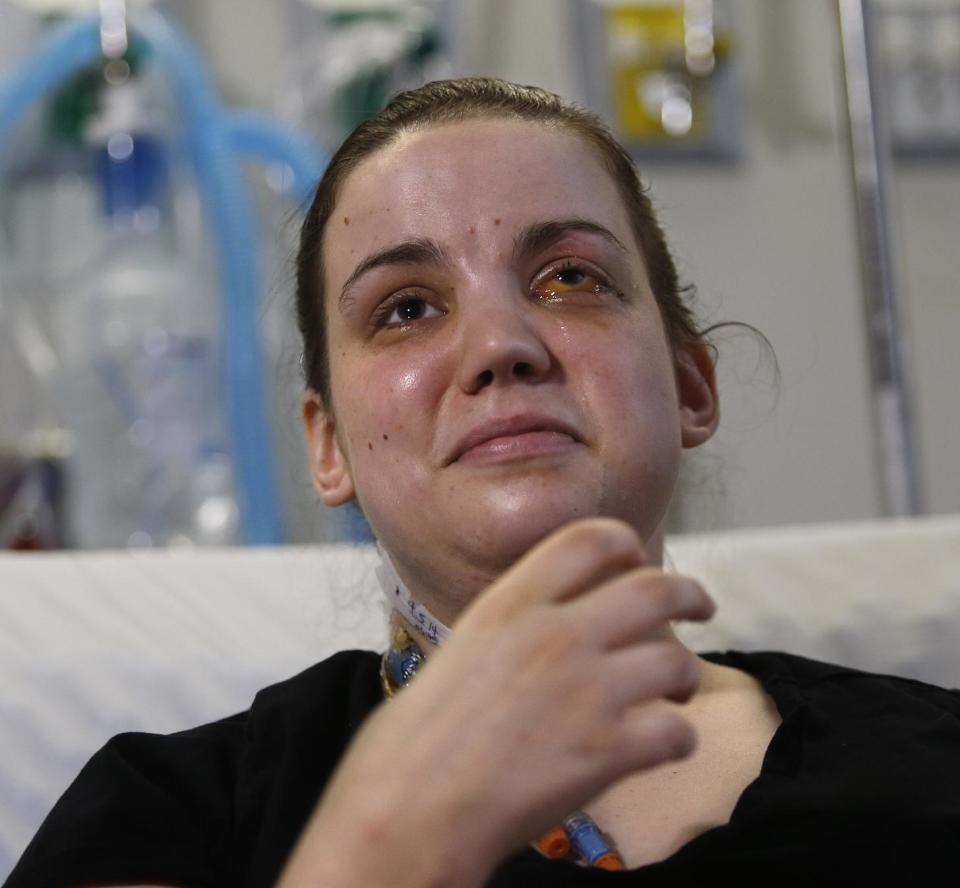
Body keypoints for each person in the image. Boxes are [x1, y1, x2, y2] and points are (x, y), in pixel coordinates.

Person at [6, 78, 960, 888]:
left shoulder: (931, 762)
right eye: (407, 307)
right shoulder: (172, 815)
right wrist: (386, 847)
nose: (502, 346)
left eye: (569, 279)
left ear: (689, 385)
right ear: (327, 443)